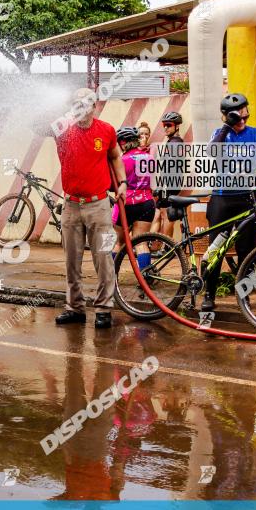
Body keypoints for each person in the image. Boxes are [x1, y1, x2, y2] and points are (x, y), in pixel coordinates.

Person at [42, 87, 127, 329]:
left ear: (94, 107)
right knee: (71, 260)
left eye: (85, 103)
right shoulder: (62, 129)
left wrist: (122, 183)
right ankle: (75, 308)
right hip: (70, 206)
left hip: (100, 206)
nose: (80, 107)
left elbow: (115, 156)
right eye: (76, 103)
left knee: (104, 258)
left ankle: (103, 308)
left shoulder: (106, 130)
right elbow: (38, 126)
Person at [201, 93, 256, 312]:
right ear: (226, 117)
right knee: (216, 249)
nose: (241, 120)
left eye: (244, 115)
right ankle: (209, 295)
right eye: (236, 116)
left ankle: (244, 296)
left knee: (246, 250)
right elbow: (212, 152)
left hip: (247, 198)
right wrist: (226, 128)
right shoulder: (219, 134)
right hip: (222, 198)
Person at [111, 127, 155, 268]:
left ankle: (111, 277)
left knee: (119, 242)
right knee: (141, 242)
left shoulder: (122, 160)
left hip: (127, 203)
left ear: (123, 142)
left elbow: (114, 185)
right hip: (147, 202)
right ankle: (145, 279)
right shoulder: (149, 158)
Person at [150, 112, 185, 249]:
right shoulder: (173, 141)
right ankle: (155, 245)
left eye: (169, 125)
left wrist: (162, 186)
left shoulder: (175, 142)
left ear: (177, 126)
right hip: (169, 183)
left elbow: (171, 166)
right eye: (164, 125)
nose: (165, 128)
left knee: (166, 215)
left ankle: (167, 247)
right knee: (159, 214)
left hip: (170, 184)